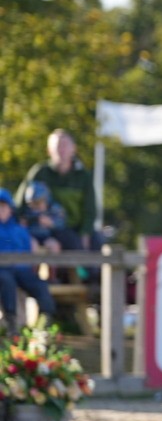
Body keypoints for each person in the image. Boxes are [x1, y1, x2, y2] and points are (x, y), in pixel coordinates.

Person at [16, 129, 97, 251]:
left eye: (65, 145)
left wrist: (85, 233)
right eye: (57, 145)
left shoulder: (83, 176)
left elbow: (90, 210)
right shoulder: (40, 172)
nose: (61, 149)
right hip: (44, 228)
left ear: (73, 149)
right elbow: (20, 203)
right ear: (49, 150)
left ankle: (86, 270)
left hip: (74, 228)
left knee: (96, 241)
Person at [0, 188, 57, 331]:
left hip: (22, 269)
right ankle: (11, 324)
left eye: (3, 206)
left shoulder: (20, 230)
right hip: (2, 270)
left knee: (39, 284)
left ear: (10, 209)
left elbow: (34, 247)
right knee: (7, 282)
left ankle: (45, 322)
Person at [19, 181, 73, 254]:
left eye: (38, 202)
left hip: (48, 237)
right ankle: (33, 265)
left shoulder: (54, 209)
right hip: (33, 237)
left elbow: (62, 223)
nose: (35, 207)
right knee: (32, 245)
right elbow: (20, 224)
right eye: (32, 204)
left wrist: (51, 223)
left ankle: (53, 265)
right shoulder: (26, 211)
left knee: (54, 246)